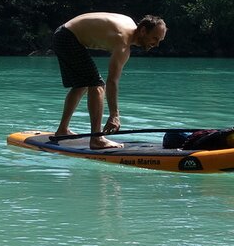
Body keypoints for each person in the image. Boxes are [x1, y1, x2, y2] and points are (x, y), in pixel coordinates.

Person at [52, 12, 167, 149]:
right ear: (143, 31)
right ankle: (97, 139)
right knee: (97, 84)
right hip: (67, 37)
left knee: (82, 84)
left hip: (63, 34)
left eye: (160, 40)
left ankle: (62, 130)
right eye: (155, 38)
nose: (157, 44)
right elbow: (112, 81)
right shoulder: (123, 42)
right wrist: (114, 115)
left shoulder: (129, 22)